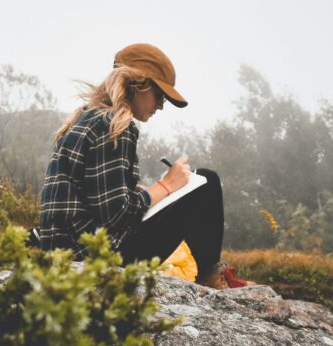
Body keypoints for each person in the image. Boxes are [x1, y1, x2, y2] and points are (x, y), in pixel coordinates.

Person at [38, 43, 244, 289]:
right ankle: (209, 277)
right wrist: (165, 186)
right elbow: (116, 214)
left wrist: (145, 192)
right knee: (206, 182)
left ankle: (207, 275)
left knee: (187, 185)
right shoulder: (115, 125)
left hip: (68, 252)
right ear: (137, 85)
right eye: (159, 95)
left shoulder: (86, 119)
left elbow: (95, 197)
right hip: (97, 257)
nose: (161, 105)